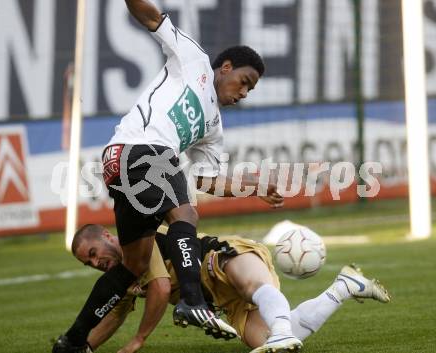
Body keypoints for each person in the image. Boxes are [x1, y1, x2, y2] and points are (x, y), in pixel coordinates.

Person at [52, 1, 286, 352]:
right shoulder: (194, 61)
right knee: (185, 213)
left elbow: (207, 181)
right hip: (139, 149)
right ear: (225, 67)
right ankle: (193, 301)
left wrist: (252, 187)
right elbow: (150, 16)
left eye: (250, 90)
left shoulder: (213, 127)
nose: (243, 93)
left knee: (132, 264)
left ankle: (71, 342)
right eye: (244, 81)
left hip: (120, 165)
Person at [70, 224, 391, 353]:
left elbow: (162, 288)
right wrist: (84, 348)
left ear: (108, 236)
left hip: (218, 258)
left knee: (248, 282)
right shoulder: (124, 279)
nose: (95, 263)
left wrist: (139, 338)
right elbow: (112, 317)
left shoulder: (140, 239)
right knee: (264, 344)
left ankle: (280, 327)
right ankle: (345, 286)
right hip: (222, 302)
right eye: (89, 263)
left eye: (94, 253)